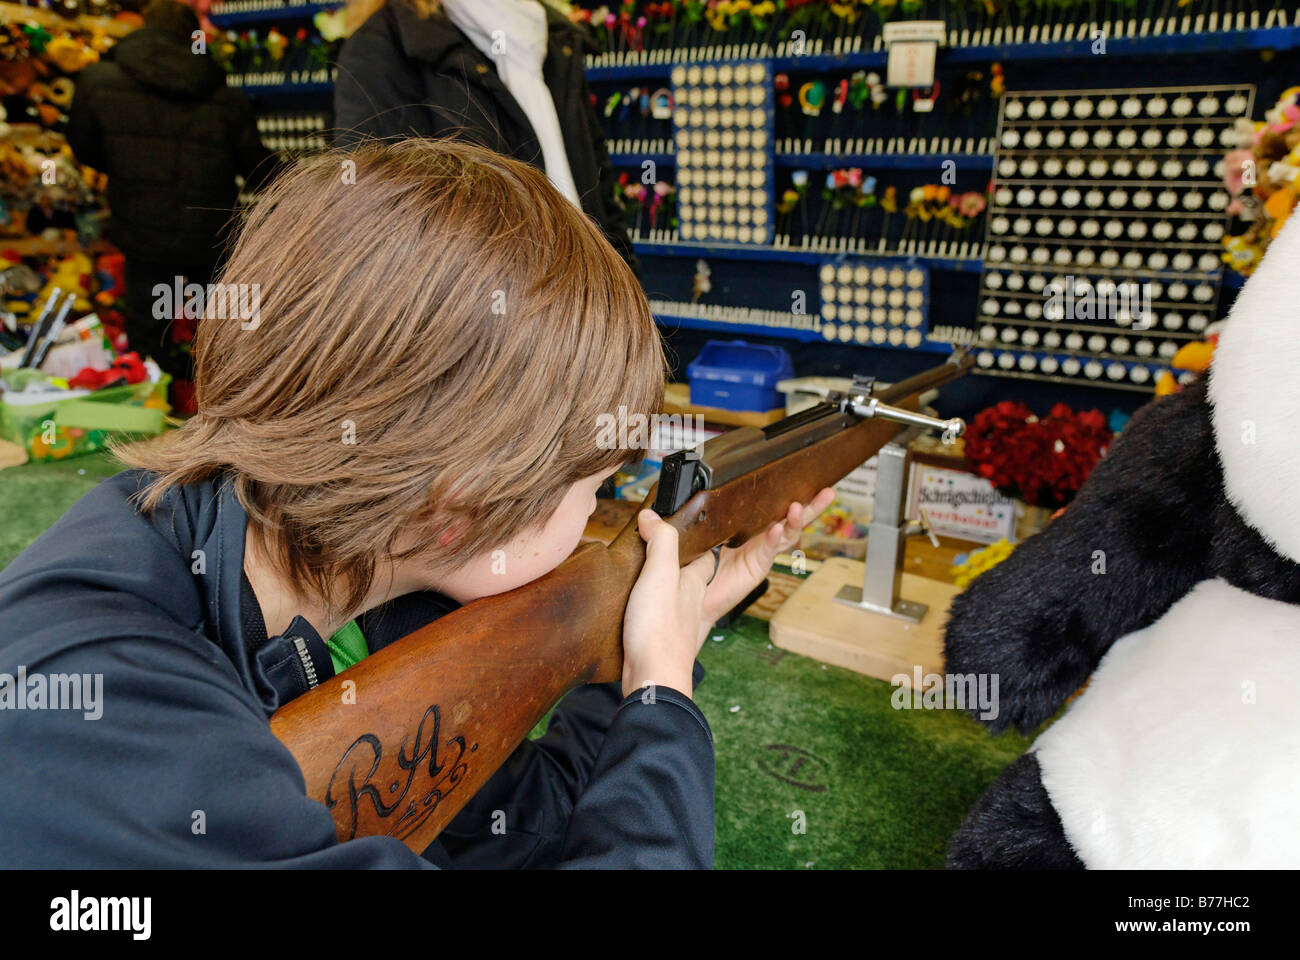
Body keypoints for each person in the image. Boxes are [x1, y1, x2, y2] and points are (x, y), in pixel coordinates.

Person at [0, 138, 832, 868]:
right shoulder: (126, 747)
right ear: (460, 509)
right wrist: (666, 701)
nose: (598, 520)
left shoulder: (284, 549)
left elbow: (515, 826)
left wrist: (652, 654)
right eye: (599, 491)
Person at [333, 0, 638, 272]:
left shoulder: (553, 37)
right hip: (489, 324)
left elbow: (599, 191)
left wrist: (629, 300)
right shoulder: (384, 47)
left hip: (588, 308)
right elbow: (379, 223)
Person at [66, 0, 278, 390]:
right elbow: (259, 171)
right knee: (220, 331)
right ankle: (219, 412)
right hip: (211, 235)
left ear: (145, 28)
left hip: (141, 229)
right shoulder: (222, 93)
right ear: (191, 36)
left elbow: (84, 148)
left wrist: (125, 164)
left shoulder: (98, 81)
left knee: (148, 331)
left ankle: (150, 413)